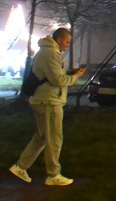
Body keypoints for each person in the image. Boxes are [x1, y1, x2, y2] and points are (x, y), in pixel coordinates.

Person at [9, 28, 85, 186]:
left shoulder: (47, 51)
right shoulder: (50, 53)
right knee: (54, 139)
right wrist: (75, 76)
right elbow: (58, 80)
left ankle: (20, 167)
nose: (67, 45)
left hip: (43, 100)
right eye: (67, 42)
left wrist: (70, 72)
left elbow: (51, 74)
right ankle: (53, 175)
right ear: (59, 39)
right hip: (49, 102)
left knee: (42, 137)